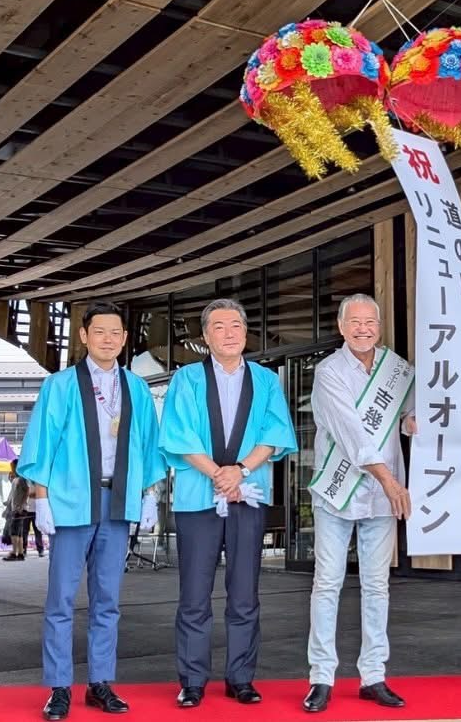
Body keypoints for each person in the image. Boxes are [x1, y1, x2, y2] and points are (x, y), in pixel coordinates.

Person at [18, 301, 163, 721]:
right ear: (83, 336)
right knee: (61, 598)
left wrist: (149, 493)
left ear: (124, 338)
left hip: (117, 500)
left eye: (115, 332)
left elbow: (147, 444)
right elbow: (42, 442)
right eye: (99, 331)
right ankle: (59, 687)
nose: (107, 339)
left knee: (108, 599)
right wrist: (40, 497)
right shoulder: (60, 385)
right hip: (70, 499)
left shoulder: (135, 387)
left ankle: (100, 682)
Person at [160, 298, 297, 709]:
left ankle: (241, 677)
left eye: (236, 324)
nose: (229, 332)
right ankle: (193, 680)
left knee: (244, 594)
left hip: (247, 496)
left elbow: (274, 432)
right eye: (218, 327)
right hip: (197, 499)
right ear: (205, 337)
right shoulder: (186, 379)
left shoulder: (266, 380)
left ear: (245, 331)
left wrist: (239, 470)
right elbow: (179, 436)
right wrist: (218, 474)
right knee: (194, 594)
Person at [303, 294, 415, 714]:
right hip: (338, 491)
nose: (364, 329)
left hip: (382, 499)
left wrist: (413, 420)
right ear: (341, 326)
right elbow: (352, 433)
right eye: (356, 322)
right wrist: (389, 479)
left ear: (380, 326)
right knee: (327, 584)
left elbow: (407, 414)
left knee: (377, 586)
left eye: (371, 322)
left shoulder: (397, 370)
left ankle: (374, 675)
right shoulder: (329, 371)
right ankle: (321, 677)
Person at [2, 473, 33, 561]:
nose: (10, 476)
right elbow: (14, 496)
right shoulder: (16, 480)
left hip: (19, 509)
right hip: (16, 509)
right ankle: (20, 553)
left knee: (14, 532)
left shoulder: (21, 479)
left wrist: (20, 505)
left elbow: (27, 490)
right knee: (18, 533)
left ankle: (14, 552)